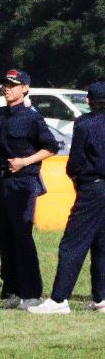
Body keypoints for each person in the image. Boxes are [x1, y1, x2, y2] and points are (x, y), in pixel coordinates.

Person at [30, 81, 105, 314]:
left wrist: (75, 177)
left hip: (92, 188)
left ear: (88, 101)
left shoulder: (85, 124)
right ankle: (101, 297)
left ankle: (59, 299)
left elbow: (76, 161)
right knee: (102, 244)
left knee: (73, 243)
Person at [0, 68, 59, 307]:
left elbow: (50, 147)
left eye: (13, 85)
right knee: (5, 236)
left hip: (24, 182)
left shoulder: (32, 117)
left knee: (22, 236)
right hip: (2, 180)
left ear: (25, 88)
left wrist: (25, 161)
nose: (7, 88)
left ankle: (31, 292)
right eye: (5, 84)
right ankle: (12, 290)